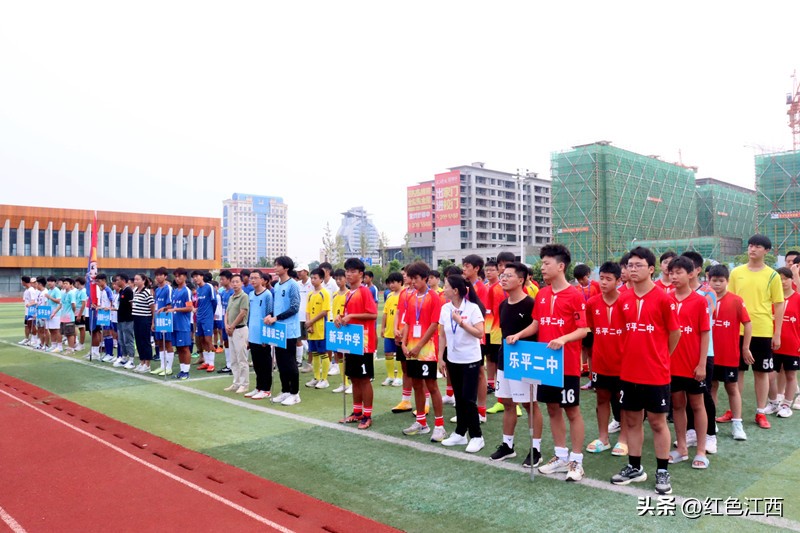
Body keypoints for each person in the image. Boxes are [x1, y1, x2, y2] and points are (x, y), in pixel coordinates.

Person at [508, 246, 588, 481]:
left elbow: (583, 329)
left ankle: (576, 460)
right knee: (552, 408)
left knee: (571, 411)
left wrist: (563, 338)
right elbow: (537, 324)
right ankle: (561, 456)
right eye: (541, 264)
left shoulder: (574, 295)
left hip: (568, 364)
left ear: (561, 266)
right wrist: (519, 335)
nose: (542, 267)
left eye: (546, 263)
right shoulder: (542, 295)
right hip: (546, 364)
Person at [611, 247, 680, 496]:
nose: (632, 269)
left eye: (638, 265)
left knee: (657, 422)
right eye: (630, 265)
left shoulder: (664, 298)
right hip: (628, 372)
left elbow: (675, 333)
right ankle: (635, 467)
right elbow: (623, 333)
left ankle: (662, 470)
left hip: (656, 373)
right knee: (631, 421)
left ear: (651, 269)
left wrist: (661, 357)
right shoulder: (623, 298)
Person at [490, 262, 544, 468]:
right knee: (507, 403)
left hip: (526, 361)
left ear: (520, 280)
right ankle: (507, 445)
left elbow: (537, 330)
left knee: (530, 405)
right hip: (506, 360)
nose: (503, 278)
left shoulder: (531, 304)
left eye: (508, 275)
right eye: (502, 275)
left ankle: (536, 449)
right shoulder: (503, 305)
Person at [729, 234, 785, 429]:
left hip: (762, 330)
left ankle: (760, 412)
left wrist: (777, 333)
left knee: (761, 372)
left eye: (757, 246)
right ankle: (733, 410)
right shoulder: (736, 273)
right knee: (737, 372)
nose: (752, 249)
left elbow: (779, 305)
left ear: (767, 251)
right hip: (738, 330)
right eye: (750, 245)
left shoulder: (773, 275)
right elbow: (730, 301)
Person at [667, 257, 710, 469]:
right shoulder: (666, 299)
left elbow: (704, 334)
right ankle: (682, 447)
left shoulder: (700, 301)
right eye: (671, 272)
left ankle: (701, 450)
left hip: (693, 365)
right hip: (671, 365)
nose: (674, 277)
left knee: (697, 405)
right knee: (677, 405)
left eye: (679, 272)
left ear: (691, 274)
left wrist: (702, 364)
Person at [438, 274, 485, 452]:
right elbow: (442, 334)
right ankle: (460, 433)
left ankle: (477, 436)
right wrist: (441, 357)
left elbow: (480, 333)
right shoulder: (445, 309)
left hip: (470, 360)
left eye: (447, 286)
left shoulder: (472, 309)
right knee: (459, 398)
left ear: (455, 291)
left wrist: (462, 323)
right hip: (453, 359)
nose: (444, 289)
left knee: (468, 398)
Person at [585, 262, 628, 457]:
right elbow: (593, 329)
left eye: (608, 279)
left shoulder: (627, 302)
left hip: (624, 364)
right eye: (601, 278)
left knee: (624, 402)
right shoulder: (592, 304)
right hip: (601, 362)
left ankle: (624, 439)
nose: (603, 282)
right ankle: (603, 438)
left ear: (619, 281)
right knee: (601, 399)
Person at [401, 261, 445, 440]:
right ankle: (421, 422)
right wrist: (403, 343)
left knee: (431, 386)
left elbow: (434, 325)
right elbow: (408, 323)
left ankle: (440, 426)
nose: (412, 282)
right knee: (416, 385)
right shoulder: (411, 297)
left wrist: (419, 346)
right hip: (411, 349)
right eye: (411, 278)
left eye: (416, 278)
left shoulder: (434, 297)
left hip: (427, 350)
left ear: (425, 278)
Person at [680, 251, 718, 454]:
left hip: (704, 352)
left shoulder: (707, 293)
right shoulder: (675, 293)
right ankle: (691, 431)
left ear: (696, 270)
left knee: (703, 396)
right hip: (681, 353)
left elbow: (705, 322)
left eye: (689, 267)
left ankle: (710, 434)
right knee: (683, 397)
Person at [709, 264, 751, 441]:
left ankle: (737, 424)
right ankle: (711, 423)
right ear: (708, 280)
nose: (717, 284)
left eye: (721, 281)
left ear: (727, 281)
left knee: (732, 387)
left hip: (729, 355)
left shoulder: (736, 300)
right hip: (710, 355)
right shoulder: (704, 299)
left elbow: (747, 323)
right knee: (711, 387)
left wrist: (745, 347)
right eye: (714, 280)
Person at [337, 258, 378, 429]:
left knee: (364, 378)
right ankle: (356, 412)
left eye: (353, 271)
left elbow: (373, 314)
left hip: (364, 342)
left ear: (361, 274)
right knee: (353, 378)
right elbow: (348, 314)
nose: (349, 274)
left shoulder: (365, 291)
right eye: (347, 271)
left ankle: (367, 415)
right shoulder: (348, 293)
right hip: (352, 341)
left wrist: (351, 317)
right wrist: (340, 319)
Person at [267, 256, 303, 406]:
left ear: (286, 268)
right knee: (280, 362)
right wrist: (271, 316)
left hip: (290, 330)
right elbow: (277, 305)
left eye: (278, 265)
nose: (275, 268)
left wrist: (277, 317)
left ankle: (295, 393)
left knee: (290, 363)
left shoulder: (292, 285)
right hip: (279, 330)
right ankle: (285, 391)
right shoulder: (277, 286)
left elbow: (295, 307)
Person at [773, 267, 800, 418]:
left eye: (786, 278)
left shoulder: (798, 298)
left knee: (790, 374)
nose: (783, 282)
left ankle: (786, 404)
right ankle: (774, 401)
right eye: (779, 278)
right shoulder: (771, 298)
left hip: (792, 344)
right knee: (770, 374)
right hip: (772, 344)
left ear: (792, 280)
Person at [224, 273, 251, 394]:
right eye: (233, 282)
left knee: (242, 358)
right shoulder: (231, 297)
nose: (234, 284)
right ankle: (236, 382)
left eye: (237, 282)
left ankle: (244, 384)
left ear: (241, 283)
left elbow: (242, 313)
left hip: (240, 329)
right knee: (233, 359)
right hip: (231, 330)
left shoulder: (244, 296)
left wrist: (232, 326)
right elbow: (227, 313)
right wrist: (226, 325)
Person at [304, 268, 331, 389]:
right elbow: (308, 310)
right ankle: (316, 377)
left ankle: (324, 379)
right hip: (311, 328)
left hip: (321, 328)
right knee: (314, 353)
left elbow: (324, 311)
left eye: (315, 278)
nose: (313, 280)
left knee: (323, 353)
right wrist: (308, 324)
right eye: (312, 278)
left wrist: (311, 322)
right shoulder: (310, 294)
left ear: (321, 279)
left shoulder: (324, 293)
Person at [574, 263, 600, 388]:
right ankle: (584, 372)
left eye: (582, 278)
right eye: (578, 279)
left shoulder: (596, 286)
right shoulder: (576, 289)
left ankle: (593, 379)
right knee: (583, 349)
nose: (581, 281)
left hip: (594, 323)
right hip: (582, 325)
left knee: (593, 352)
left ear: (588, 275)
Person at [169, 268, 195, 380]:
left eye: (179, 276)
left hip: (183, 324)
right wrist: (165, 308)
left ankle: (186, 371)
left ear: (185, 277)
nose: (177, 278)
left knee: (185, 348)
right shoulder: (175, 291)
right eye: (176, 276)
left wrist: (175, 310)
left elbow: (189, 308)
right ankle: (182, 370)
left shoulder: (187, 291)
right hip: (174, 324)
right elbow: (173, 306)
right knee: (178, 348)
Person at [330, 269, 351, 393]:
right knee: (339, 355)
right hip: (337, 328)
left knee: (349, 355)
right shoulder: (335, 295)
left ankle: (352, 382)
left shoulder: (349, 294)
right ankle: (344, 382)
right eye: (336, 279)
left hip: (347, 328)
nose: (338, 281)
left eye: (340, 279)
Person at [150, 267, 174, 375]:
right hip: (158, 318)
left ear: (165, 276)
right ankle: (162, 366)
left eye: (161, 275)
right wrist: (153, 322)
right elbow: (155, 306)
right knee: (159, 343)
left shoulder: (168, 288)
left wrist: (164, 309)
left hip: (166, 317)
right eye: (157, 275)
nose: (158, 277)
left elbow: (170, 305)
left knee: (167, 342)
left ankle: (169, 367)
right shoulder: (157, 290)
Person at [382, 272, 404, 386]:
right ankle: (390, 376)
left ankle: (400, 377)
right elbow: (385, 313)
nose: (391, 285)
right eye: (390, 283)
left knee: (400, 356)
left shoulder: (404, 295)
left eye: (394, 282)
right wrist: (382, 328)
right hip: (389, 331)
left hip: (399, 331)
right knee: (388, 354)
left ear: (400, 282)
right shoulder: (389, 295)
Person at [193, 271, 217, 372]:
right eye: (194, 277)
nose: (195, 279)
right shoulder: (198, 290)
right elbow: (199, 303)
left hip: (207, 318)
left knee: (208, 340)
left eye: (197, 276)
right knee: (202, 340)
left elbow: (214, 301)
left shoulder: (209, 287)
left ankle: (211, 363)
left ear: (202, 276)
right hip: (199, 318)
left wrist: (211, 314)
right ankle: (206, 362)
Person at [131, 273, 155, 372]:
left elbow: (152, 307)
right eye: (135, 280)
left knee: (145, 341)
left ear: (143, 280)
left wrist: (153, 321)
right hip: (136, 318)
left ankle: (147, 364)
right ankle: (142, 362)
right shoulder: (135, 291)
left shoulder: (147, 292)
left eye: (138, 279)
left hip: (145, 319)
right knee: (138, 341)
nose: (135, 281)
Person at [113, 274, 135, 369]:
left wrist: (132, 315)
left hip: (128, 319)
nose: (116, 282)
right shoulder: (121, 291)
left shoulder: (128, 290)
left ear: (123, 280)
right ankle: (124, 357)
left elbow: (131, 305)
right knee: (121, 340)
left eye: (118, 280)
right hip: (120, 319)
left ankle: (131, 359)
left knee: (128, 339)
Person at [215, 270, 234, 374]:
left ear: (229, 279)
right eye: (220, 279)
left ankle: (234, 366)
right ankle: (228, 365)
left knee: (233, 343)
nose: (221, 281)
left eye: (223, 279)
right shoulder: (223, 292)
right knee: (226, 342)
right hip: (224, 321)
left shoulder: (233, 292)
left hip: (232, 322)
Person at [295, 264, 313, 373]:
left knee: (310, 340)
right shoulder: (297, 284)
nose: (299, 273)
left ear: (306, 271)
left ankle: (310, 362)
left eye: (300, 271)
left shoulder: (313, 282)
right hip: (298, 316)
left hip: (309, 316)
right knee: (298, 339)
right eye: (298, 271)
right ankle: (299, 360)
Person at [43, 276, 63, 353]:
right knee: (51, 330)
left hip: (56, 313)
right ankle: (54, 345)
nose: (49, 283)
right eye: (48, 281)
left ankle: (60, 346)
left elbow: (58, 301)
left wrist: (49, 297)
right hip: (49, 312)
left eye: (51, 281)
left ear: (55, 282)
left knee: (57, 330)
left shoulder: (56, 290)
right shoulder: (49, 290)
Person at [58, 278, 77, 354]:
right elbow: (61, 304)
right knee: (66, 333)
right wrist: (54, 313)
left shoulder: (71, 293)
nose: (65, 285)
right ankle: (69, 347)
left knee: (70, 333)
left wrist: (73, 312)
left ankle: (71, 348)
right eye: (64, 283)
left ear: (71, 285)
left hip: (69, 316)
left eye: (67, 283)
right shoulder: (63, 293)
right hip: (63, 316)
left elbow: (73, 304)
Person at [20, 276, 38, 346]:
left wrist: (30, 305)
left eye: (22, 281)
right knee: (27, 325)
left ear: (24, 282)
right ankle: (28, 339)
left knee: (32, 325)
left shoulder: (31, 290)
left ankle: (34, 339)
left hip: (31, 310)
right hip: (27, 311)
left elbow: (34, 301)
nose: (21, 283)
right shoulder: (26, 291)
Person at [74, 277, 88, 351]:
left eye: (76, 282)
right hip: (75, 311)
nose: (75, 284)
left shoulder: (83, 291)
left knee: (81, 328)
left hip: (81, 312)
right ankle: (75, 342)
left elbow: (83, 304)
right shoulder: (77, 291)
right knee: (75, 327)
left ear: (78, 282)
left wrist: (80, 314)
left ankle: (81, 344)